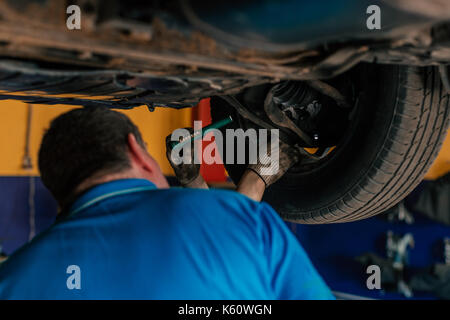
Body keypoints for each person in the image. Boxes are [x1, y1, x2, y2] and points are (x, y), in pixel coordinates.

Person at [0, 106, 334, 299]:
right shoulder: (239, 220)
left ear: (58, 192)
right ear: (137, 151)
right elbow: (210, 240)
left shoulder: (13, 281)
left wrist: (201, 182)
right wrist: (253, 181)